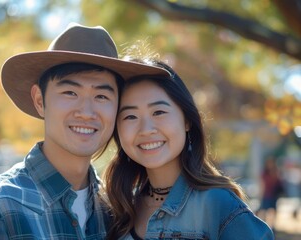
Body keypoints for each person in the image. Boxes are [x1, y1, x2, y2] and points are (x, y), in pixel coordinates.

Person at [0, 23, 169, 239]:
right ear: (39, 101)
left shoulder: (118, 209)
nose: (86, 112)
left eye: (101, 96)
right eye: (70, 92)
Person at [104, 59, 274, 239]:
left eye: (159, 112)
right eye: (130, 116)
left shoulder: (217, 205)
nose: (146, 129)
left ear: (187, 121)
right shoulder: (117, 209)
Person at [257, 157, 284, 232]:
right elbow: (262, 185)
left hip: (274, 195)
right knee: (264, 211)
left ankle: (272, 226)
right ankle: (264, 225)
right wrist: (260, 195)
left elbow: (278, 182)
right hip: (266, 195)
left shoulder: (275, 171)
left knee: (273, 211)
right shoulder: (264, 173)